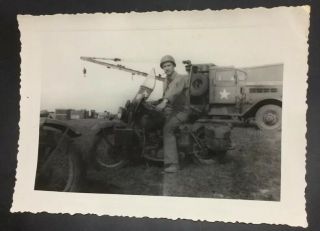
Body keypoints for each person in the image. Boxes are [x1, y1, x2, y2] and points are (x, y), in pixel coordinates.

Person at [156, 55, 190, 173]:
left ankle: (173, 164)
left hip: (182, 111)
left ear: (174, 65)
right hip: (171, 110)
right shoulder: (166, 80)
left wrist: (165, 101)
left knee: (167, 130)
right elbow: (165, 95)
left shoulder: (180, 79)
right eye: (164, 66)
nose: (166, 68)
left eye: (168, 65)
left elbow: (173, 93)